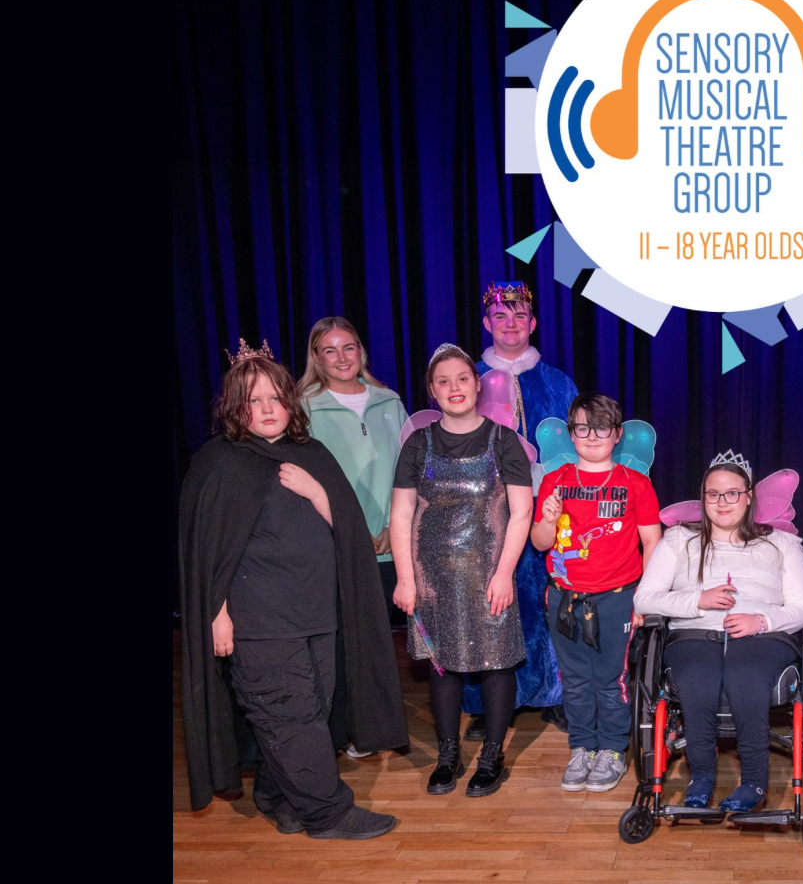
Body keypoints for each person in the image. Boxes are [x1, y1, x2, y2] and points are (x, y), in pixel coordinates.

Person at [178, 340, 405, 840]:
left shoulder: (312, 454)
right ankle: (329, 814)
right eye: (252, 401)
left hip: (318, 614)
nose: (266, 410)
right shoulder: (219, 463)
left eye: (274, 398)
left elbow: (348, 532)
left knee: (313, 712)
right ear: (234, 408)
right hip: (259, 622)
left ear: (290, 401)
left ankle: (277, 796)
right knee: (289, 714)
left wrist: (317, 491)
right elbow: (205, 557)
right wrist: (214, 613)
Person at [389, 343, 535, 797]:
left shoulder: (503, 440)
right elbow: (400, 513)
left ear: (477, 383)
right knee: (441, 666)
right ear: (432, 391)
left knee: (495, 662)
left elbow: (522, 512)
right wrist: (406, 578)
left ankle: (492, 754)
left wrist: (504, 572)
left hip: (488, 570)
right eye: (444, 381)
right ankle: (447, 754)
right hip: (431, 574)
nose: (455, 388)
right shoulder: (418, 443)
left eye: (462, 379)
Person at [634, 452, 803, 812]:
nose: (722, 502)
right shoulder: (678, 540)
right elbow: (646, 597)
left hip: (763, 638)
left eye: (732, 493)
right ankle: (701, 778)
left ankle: (753, 784)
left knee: (744, 675)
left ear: (748, 496)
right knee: (698, 678)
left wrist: (760, 621)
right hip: (695, 634)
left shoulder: (780, 544)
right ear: (702, 498)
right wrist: (697, 600)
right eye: (713, 494)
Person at [531, 393, 662, 794]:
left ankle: (612, 750)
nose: (591, 436)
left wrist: (645, 599)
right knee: (574, 679)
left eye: (601, 427)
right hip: (564, 597)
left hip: (617, 597)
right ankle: (582, 747)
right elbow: (539, 543)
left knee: (610, 678)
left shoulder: (635, 484)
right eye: (582, 428)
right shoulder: (556, 481)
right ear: (571, 434)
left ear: (617, 434)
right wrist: (549, 521)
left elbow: (654, 544)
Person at [297, 316, 411, 758]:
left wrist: (391, 527)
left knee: (385, 642)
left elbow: (409, 469)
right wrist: (349, 528)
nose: (341, 357)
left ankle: (380, 728)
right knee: (344, 643)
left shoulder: (390, 401)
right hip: (336, 543)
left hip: (391, 542)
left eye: (349, 347)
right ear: (316, 358)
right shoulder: (304, 407)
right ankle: (345, 729)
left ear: (361, 351)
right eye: (330, 350)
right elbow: (302, 478)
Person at [467, 280, 573, 737]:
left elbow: (576, 446)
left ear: (532, 324)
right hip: (482, 512)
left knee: (550, 597)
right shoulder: (466, 377)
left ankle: (555, 691)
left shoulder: (556, 382)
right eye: (500, 316)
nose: (509, 324)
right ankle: (490, 702)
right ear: (487, 322)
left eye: (518, 316)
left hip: (547, 509)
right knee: (488, 602)